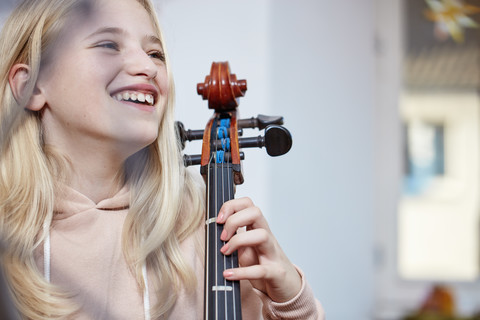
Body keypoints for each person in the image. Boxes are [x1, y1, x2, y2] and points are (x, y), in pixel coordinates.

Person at [0, 0, 325, 319]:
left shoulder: (205, 230)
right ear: (31, 85)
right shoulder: (8, 238)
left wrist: (291, 300)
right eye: (109, 45)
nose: (147, 67)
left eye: (155, 53)